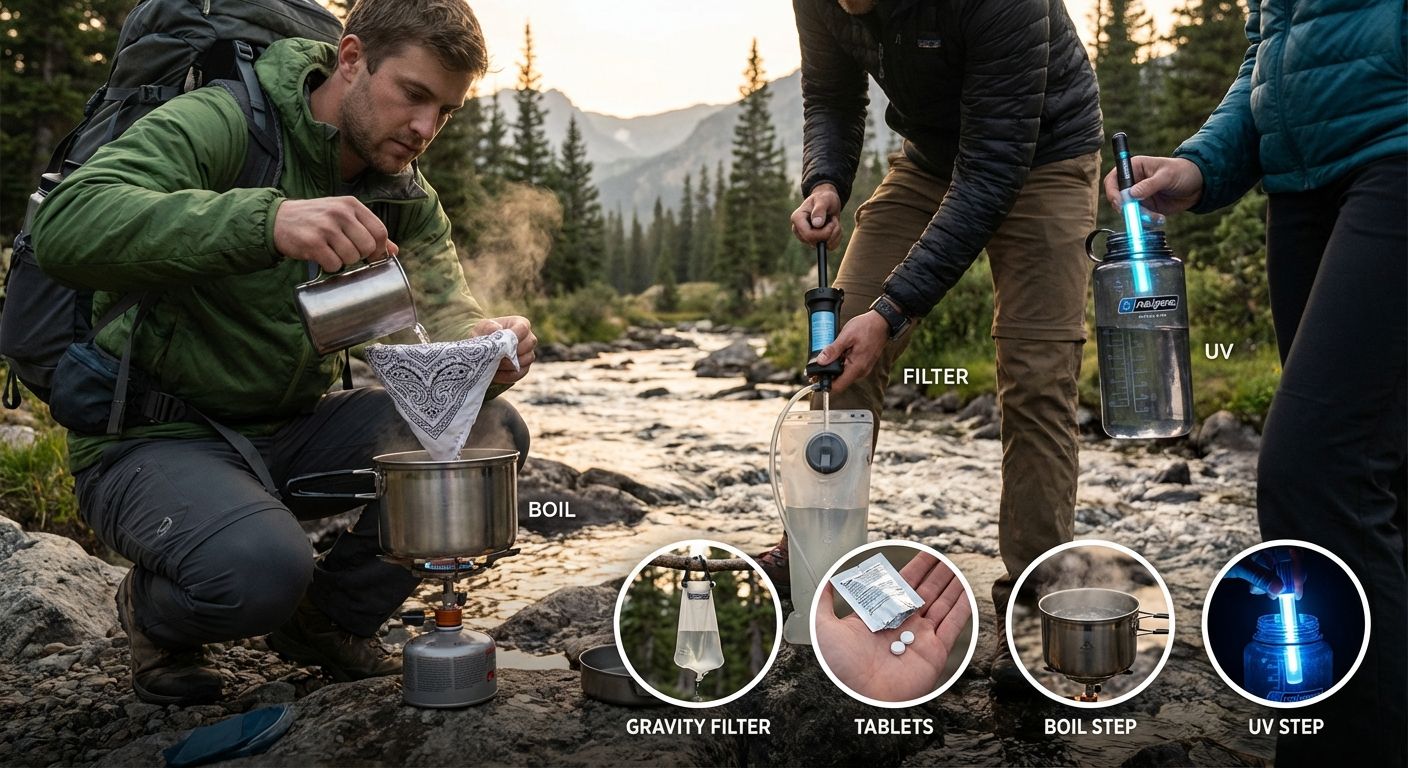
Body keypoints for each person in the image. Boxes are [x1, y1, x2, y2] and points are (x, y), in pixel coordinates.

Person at [31, 0, 537, 705]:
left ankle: (327, 620)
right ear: (352, 59)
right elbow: (67, 225)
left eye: (445, 112)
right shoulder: (226, 122)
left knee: (491, 433)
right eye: (413, 95)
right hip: (151, 435)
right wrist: (266, 221)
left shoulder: (403, 196)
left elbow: (445, 319)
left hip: (292, 432)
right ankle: (154, 613)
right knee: (260, 572)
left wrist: (489, 348)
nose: (425, 129)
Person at [768, 0, 1103, 690]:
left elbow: (991, 175)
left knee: (1035, 374)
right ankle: (818, 558)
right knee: (838, 355)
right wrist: (825, 178)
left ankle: (1037, 590)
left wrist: (893, 310)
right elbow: (831, 95)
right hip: (929, 158)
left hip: (1042, 154)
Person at [1107, 2, 1405, 763]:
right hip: (1303, 186)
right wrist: (1204, 162)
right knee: (1380, 479)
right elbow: (1269, 53)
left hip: (1395, 157)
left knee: (1316, 472)